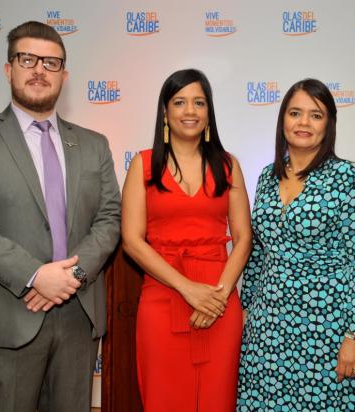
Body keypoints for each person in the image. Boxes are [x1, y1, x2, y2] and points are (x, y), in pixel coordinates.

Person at [0, 21, 121, 412]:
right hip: (6, 318)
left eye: (51, 63)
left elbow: (109, 219)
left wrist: (71, 277)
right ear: (9, 68)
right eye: (28, 59)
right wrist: (37, 275)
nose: (40, 70)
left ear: (64, 75)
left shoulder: (93, 145)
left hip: (78, 316)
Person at [237, 79, 355, 411]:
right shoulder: (266, 178)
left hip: (327, 329)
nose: (303, 123)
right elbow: (258, 253)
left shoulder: (345, 179)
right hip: (267, 329)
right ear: (282, 119)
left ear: (328, 124)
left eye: (315, 115)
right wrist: (245, 311)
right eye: (295, 113)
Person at [121, 69, 252, 411]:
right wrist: (186, 288)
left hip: (219, 299)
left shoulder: (229, 165)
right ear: (165, 112)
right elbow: (132, 241)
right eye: (179, 102)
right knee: (164, 397)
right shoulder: (143, 165)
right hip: (162, 297)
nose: (190, 111)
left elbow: (243, 237)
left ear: (209, 112)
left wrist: (219, 297)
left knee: (216, 399)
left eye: (199, 102)